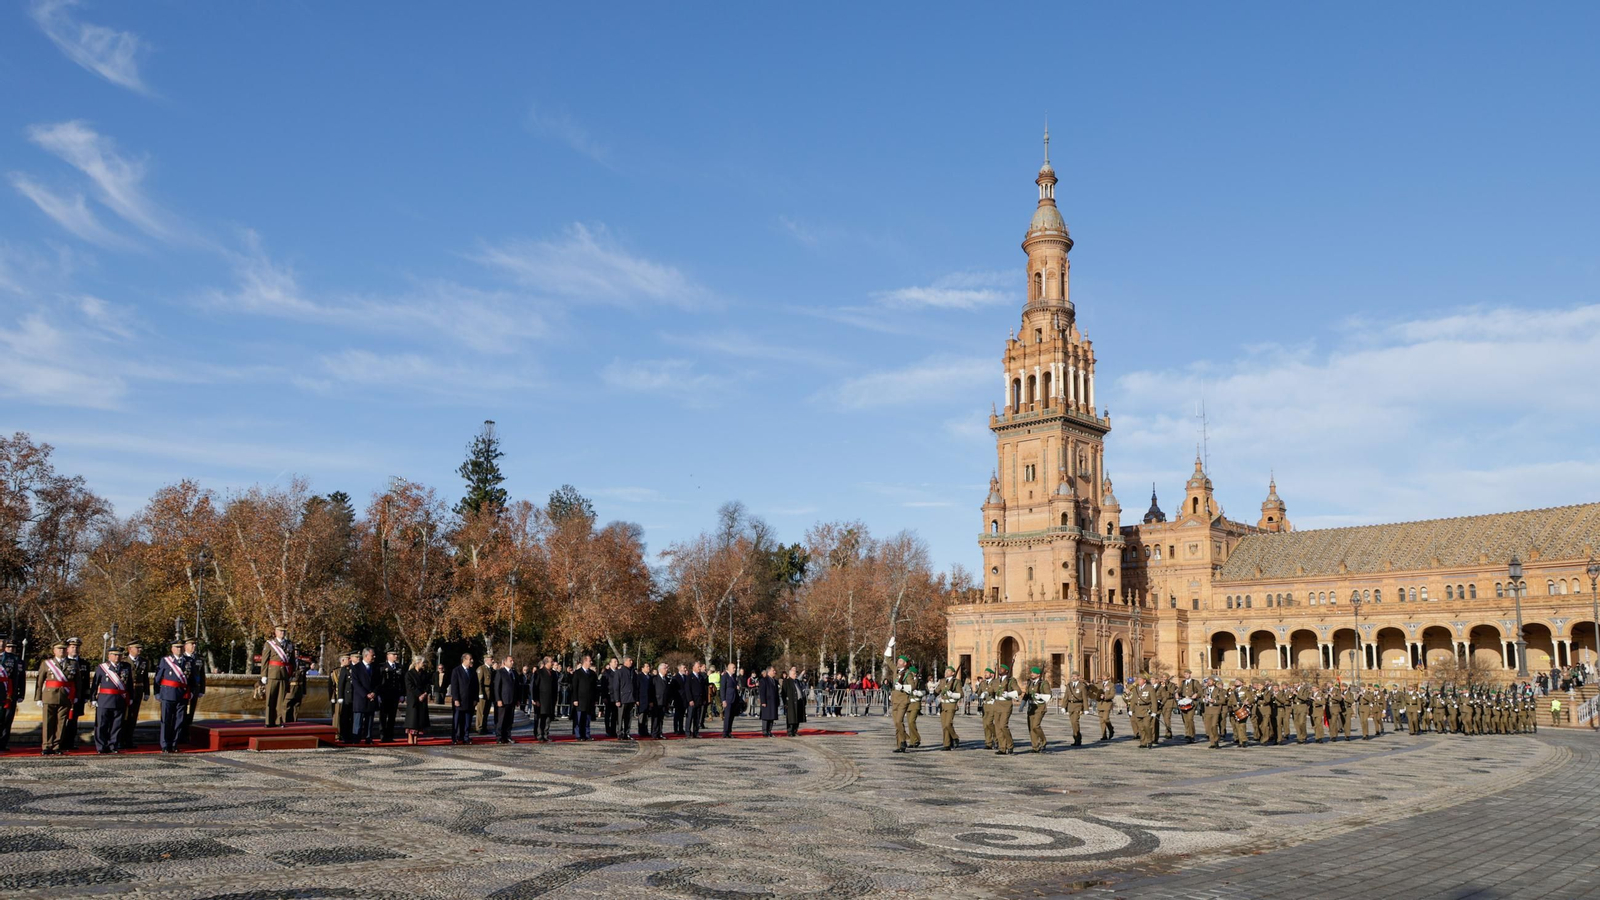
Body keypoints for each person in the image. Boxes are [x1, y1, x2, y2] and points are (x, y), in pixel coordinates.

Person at [36, 642, 74, 755]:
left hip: (65, 697)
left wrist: (76, 696)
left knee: (61, 723)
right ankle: (46, 745)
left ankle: (57, 745)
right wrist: (38, 697)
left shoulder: (73, 664)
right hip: (49, 696)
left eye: (63, 649)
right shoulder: (46, 664)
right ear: (54, 651)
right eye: (59, 649)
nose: (61, 651)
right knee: (48, 722)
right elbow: (39, 682)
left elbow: (77, 682)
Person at [91, 646, 130, 753]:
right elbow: (95, 683)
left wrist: (130, 697)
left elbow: (129, 684)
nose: (117, 657)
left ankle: (113, 745)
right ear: (109, 656)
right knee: (102, 724)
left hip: (120, 700)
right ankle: (101, 746)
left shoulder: (126, 667)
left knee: (117, 725)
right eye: (114, 655)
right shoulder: (102, 667)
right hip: (105, 700)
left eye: (119, 655)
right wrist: (93, 698)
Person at [154, 640, 191, 754]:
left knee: (179, 721)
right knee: (166, 720)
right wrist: (157, 693)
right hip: (168, 694)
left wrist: (192, 691)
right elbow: (157, 678)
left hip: (182, 694)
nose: (179, 649)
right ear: (172, 649)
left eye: (181, 647)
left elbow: (193, 677)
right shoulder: (165, 661)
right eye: (176, 647)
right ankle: (165, 744)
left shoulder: (189, 661)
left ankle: (174, 744)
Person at [261, 626, 297, 726]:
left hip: (284, 675)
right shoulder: (269, 644)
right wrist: (264, 675)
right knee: (270, 699)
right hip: (272, 674)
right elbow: (264, 660)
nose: (282, 633)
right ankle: (269, 721)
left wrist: (292, 673)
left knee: (281, 700)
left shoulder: (289, 644)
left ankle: (278, 721)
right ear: (276, 632)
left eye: (284, 631)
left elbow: (292, 661)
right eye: (280, 631)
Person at [62, 637, 87, 750]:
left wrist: (86, 695)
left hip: (77, 696)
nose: (75, 649)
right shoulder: (63, 662)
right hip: (64, 695)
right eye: (72, 647)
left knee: (73, 721)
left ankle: (70, 743)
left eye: (77, 647)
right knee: (62, 720)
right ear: (67, 648)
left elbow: (86, 681)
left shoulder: (84, 663)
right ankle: (60, 742)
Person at [0, 637, 24, 751]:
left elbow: (17, 677)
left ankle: (2, 743)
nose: (1, 644)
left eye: (3, 642)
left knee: (6, 719)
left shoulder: (13, 658)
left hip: (7, 692)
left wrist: (18, 694)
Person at [888, 654, 916, 753]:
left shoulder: (908, 674)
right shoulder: (896, 670)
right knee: (896, 724)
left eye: (900, 661)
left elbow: (912, 687)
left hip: (903, 701)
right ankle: (901, 745)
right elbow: (888, 660)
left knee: (899, 721)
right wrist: (889, 647)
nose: (898, 662)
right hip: (895, 700)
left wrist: (903, 687)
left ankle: (903, 741)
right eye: (898, 660)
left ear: (904, 664)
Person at [448, 653, 478, 744]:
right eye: (470, 659)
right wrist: (456, 699)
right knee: (457, 720)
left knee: (467, 720)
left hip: (469, 700)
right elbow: (454, 686)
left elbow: (476, 686)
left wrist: (475, 699)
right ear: (464, 660)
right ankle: (455, 737)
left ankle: (466, 737)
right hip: (459, 700)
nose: (472, 661)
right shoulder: (456, 671)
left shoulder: (473, 671)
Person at [990, 663, 1019, 755]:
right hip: (997, 704)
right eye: (1000, 668)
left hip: (1006, 705)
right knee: (998, 727)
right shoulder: (995, 681)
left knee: (1003, 725)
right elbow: (991, 690)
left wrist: (1009, 694)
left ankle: (1010, 745)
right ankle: (1002, 748)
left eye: (1002, 668)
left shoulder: (1011, 681)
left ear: (1006, 671)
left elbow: (1018, 691)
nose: (1000, 669)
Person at [180, 638, 205, 743]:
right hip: (185, 689)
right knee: (182, 712)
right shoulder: (182, 658)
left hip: (195, 688)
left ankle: (187, 734)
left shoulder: (199, 659)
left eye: (195, 644)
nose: (194, 646)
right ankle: (181, 734)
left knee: (191, 712)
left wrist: (202, 690)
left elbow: (202, 675)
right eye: (192, 644)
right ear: (185, 646)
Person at [351, 648, 377, 744]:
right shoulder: (356, 667)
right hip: (361, 698)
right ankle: (356, 738)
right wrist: (366, 694)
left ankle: (368, 737)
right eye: (372, 655)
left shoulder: (375, 667)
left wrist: (374, 692)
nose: (374, 657)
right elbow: (356, 683)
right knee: (358, 721)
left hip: (372, 698)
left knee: (370, 720)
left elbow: (378, 682)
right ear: (366, 656)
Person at [403, 656, 431, 745]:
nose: (424, 665)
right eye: (423, 663)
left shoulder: (424, 674)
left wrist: (425, 694)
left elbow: (428, 685)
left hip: (422, 700)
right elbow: (410, 686)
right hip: (413, 700)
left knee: (419, 721)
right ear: (418, 663)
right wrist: (419, 694)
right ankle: (410, 740)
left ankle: (416, 740)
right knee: (412, 721)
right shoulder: (409, 674)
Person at [1023, 666, 1051, 753]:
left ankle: (1043, 740)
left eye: (1034, 673)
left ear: (1038, 675)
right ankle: (1035, 746)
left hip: (1039, 707)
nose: (1032, 674)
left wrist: (1040, 696)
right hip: (1031, 707)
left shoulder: (1043, 683)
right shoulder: (1030, 683)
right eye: (1031, 672)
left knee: (1035, 725)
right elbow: (1027, 695)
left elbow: (1049, 695)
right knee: (1031, 728)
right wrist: (1022, 705)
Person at [377, 649, 403, 742]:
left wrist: (402, 694)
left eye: (396, 654)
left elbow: (401, 682)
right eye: (394, 654)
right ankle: (383, 735)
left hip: (394, 695)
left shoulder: (399, 667)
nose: (396, 656)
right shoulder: (382, 667)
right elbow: (379, 682)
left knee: (392, 717)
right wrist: (378, 694)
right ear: (388, 655)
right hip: (384, 695)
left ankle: (390, 736)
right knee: (383, 716)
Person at [570, 655, 598, 740]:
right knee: (579, 719)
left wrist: (595, 699)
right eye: (589, 661)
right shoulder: (577, 673)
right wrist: (575, 699)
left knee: (587, 719)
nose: (591, 662)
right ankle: (579, 735)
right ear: (585, 661)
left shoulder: (592, 674)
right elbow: (574, 687)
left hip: (589, 700)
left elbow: (595, 688)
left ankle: (587, 734)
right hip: (580, 700)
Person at [611, 656, 639, 741]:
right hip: (622, 698)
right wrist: (617, 699)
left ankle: (627, 733)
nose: (631, 662)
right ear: (625, 662)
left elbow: (636, 686)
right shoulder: (619, 672)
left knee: (629, 717)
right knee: (620, 716)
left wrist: (636, 698)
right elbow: (616, 687)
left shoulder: (633, 672)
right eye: (630, 660)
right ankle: (620, 732)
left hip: (631, 698)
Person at [492, 656, 518, 743]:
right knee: (501, 720)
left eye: (512, 660)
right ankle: (499, 737)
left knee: (509, 720)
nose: (512, 662)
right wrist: (498, 699)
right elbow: (496, 687)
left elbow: (516, 687)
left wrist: (517, 699)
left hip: (511, 700)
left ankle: (507, 736)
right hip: (503, 700)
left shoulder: (514, 673)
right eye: (510, 661)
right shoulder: (500, 672)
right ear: (505, 662)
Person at [531, 657, 558, 741]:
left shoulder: (553, 673)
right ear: (546, 663)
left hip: (550, 699)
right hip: (541, 699)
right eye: (551, 662)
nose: (553, 663)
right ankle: (540, 734)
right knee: (541, 718)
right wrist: (536, 699)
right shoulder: (539, 672)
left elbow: (555, 687)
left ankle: (546, 734)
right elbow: (535, 687)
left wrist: (555, 698)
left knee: (548, 718)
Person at [936, 665, 962, 750]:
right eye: (945, 671)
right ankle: (946, 744)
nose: (946, 672)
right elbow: (937, 690)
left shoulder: (956, 682)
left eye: (948, 671)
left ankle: (955, 737)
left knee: (948, 724)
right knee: (944, 726)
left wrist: (952, 694)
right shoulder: (942, 681)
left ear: (953, 673)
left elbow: (961, 694)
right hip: (943, 705)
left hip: (951, 705)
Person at [1128, 675, 1156, 749]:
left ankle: (1149, 740)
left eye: (1140, 679)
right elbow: (1133, 700)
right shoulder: (1136, 689)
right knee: (1141, 727)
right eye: (1138, 679)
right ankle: (1143, 742)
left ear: (1144, 680)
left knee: (1147, 726)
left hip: (1146, 709)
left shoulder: (1150, 688)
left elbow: (1153, 700)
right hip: (1137, 709)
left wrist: (1154, 711)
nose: (1138, 681)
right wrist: (1131, 709)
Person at [756, 665, 780, 737]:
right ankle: (765, 731)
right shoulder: (764, 680)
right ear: (769, 671)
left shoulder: (775, 681)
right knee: (766, 717)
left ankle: (769, 731)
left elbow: (776, 692)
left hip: (773, 701)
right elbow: (762, 692)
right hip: (766, 701)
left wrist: (778, 701)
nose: (775, 672)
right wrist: (763, 701)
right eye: (773, 670)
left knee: (772, 716)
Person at [651, 663, 672, 738]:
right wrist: (651, 701)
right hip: (656, 701)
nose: (666, 670)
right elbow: (651, 690)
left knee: (661, 718)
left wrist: (668, 702)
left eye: (667, 668)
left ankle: (659, 732)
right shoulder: (655, 678)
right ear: (660, 669)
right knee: (655, 719)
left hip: (664, 701)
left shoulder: (666, 679)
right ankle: (654, 733)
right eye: (665, 668)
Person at [720, 662, 741, 737]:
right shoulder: (725, 676)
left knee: (731, 716)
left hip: (734, 698)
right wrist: (723, 700)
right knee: (727, 716)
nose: (734, 669)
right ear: (729, 668)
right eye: (733, 668)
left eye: (735, 668)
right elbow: (722, 688)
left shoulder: (733, 676)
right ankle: (725, 732)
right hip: (728, 699)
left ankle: (729, 732)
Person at [475, 657, 494, 734]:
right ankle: (479, 727)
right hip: (483, 692)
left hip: (489, 693)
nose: (492, 660)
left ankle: (484, 727)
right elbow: (479, 681)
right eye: (491, 659)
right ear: (486, 660)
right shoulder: (481, 668)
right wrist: (480, 693)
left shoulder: (490, 669)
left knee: (486, 711)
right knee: (481, 711)